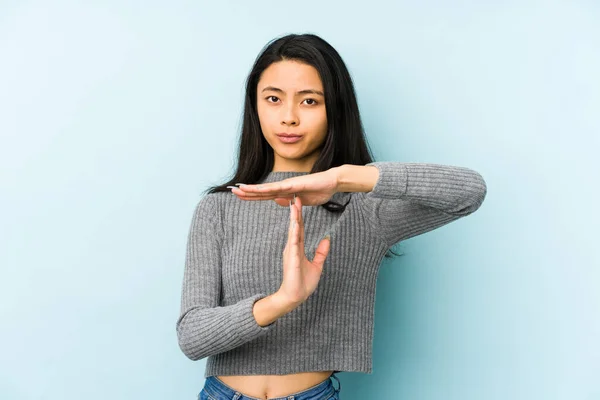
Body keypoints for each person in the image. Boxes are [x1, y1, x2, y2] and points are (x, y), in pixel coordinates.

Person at [176, 33, 487, 400]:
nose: (288, 117)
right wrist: (283, 299)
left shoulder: (363, 206)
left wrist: (343, 177)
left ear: (335, 109)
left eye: (309, 101)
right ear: (255, 106)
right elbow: (192, 337)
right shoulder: (218, 208)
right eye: (273, 99)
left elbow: (469, 192)